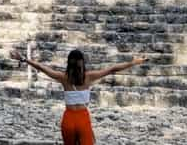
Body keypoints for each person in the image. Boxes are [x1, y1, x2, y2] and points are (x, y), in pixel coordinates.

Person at [10, 48, 148, 145]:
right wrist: (134, 62)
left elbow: (42, 68)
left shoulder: (63, 77)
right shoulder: (89, 77)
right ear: (82, 62)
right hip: (82, 117)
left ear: (69, 63)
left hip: (68, 118)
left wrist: (23, 59)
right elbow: (113, 69)